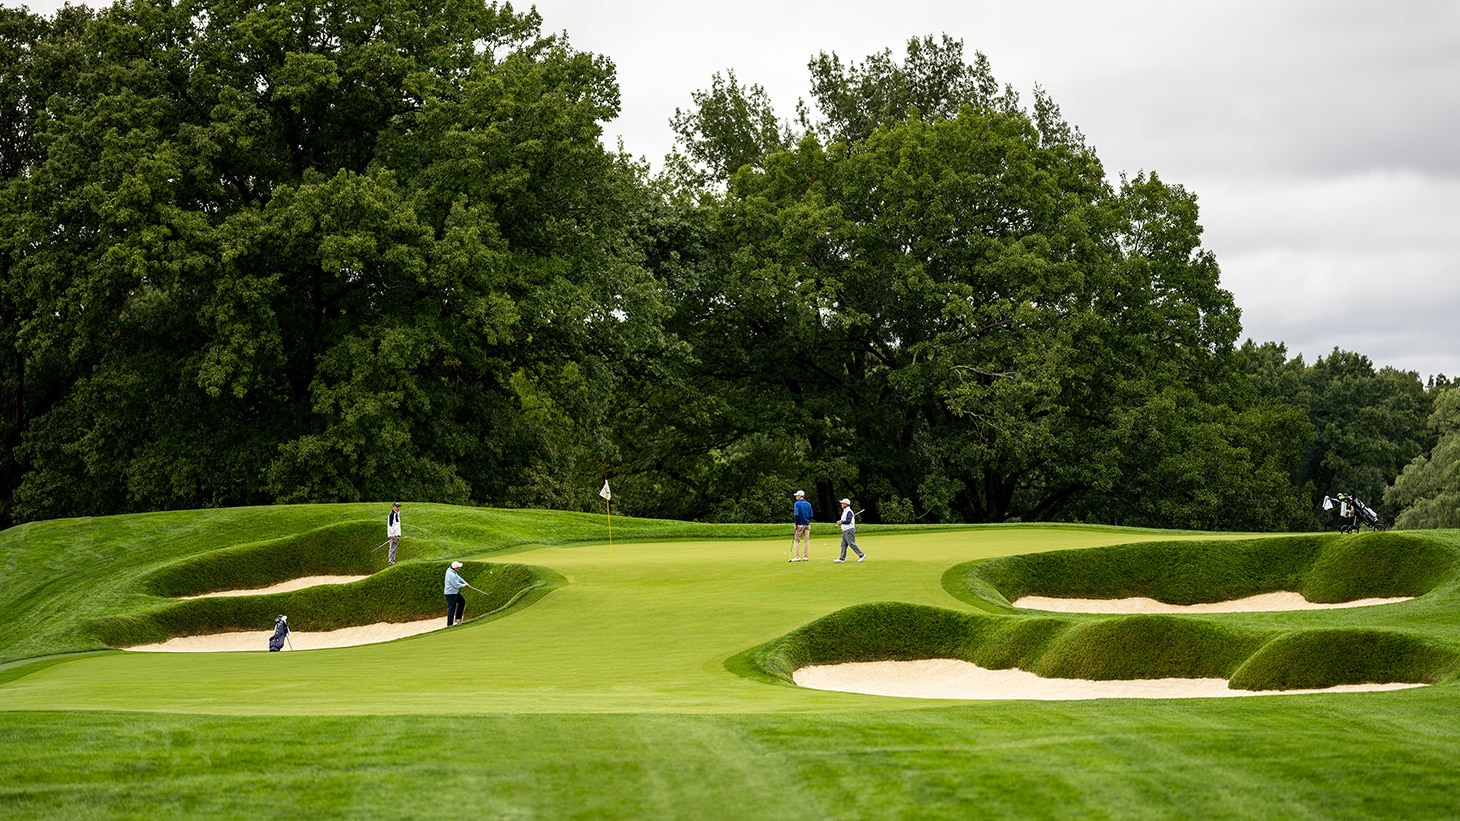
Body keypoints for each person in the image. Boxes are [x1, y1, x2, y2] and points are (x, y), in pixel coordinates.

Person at [834, 498, 866, 563]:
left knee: (851, 543)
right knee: (843, 544)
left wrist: (841, 522)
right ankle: (842, 558)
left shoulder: (849, 511)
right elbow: (845, 520)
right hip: (845, 530)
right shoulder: (845, 511)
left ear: (846, 504)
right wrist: (841, 522)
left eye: (842, 503)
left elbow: (848, 521)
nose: (841, 504)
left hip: (849, 530)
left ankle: (862, 555)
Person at [444, 561, 474, 626]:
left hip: (455, 592)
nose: (459, 568)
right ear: (455, 568)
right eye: (458, 567)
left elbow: (458, 578)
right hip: (450, 594)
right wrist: (465, 585)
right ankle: (449, 625)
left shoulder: (451, 570)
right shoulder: (451, 575)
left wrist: (465, 582)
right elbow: (456, 585)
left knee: (462, 601)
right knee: (452, 609)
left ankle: (458, 618)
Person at [790, 490, 814, 562]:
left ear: (800, 496)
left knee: (797, 540)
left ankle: (797, 557)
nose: (796, 497)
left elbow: (796, 514)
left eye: (797, 495)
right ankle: (805, 557)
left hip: (800, 524)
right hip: (807, 524)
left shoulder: (797, 504)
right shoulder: (808, 504)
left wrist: (796, 524)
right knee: (806, 540)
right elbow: (811, 515)